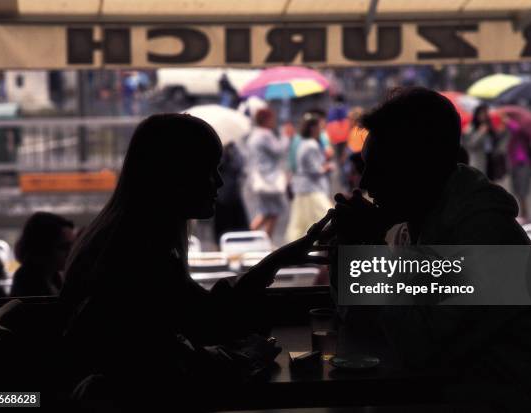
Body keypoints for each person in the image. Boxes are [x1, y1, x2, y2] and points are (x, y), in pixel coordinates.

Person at [328, 87, 531, 410]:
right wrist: (348, 246)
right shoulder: (415, 224)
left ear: (419, 169)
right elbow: (357, 316)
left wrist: (372, 252)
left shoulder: (484, 237)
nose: (365, 184)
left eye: (379, 168)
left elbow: (419, 350)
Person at [59, 114, 330, 405]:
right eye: (208, 169)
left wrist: (276, 260)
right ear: (174, 175)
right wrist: (247, 356)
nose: (219, 181)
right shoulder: (140, 256)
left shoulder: (129, 242)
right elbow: (174, 364)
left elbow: (200, 317)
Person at [285, 114, 334, 242]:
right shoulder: (311, 145)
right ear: (313, 128)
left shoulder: (303, 143)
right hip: (311, 189)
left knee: (300, 222)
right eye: (319, 127)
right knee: (326, 215)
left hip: (303, 188)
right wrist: (327, 167)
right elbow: (315, 169)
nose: (321, 130)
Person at [246, 108, 289, 238]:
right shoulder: (265, 134)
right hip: (269, 178)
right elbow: (279, 150)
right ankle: (251, 237)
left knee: (270, 212)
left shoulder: (254, 134)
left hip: (260, 177)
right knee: (271, 212)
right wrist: (285, 135)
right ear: (266, 119)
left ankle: (263, 241)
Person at [10, 212, 75, 297]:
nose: (71, 252)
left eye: (73, 246)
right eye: (63, 247)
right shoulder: (28, 280)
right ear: (42, 248)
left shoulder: (53, 276)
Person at [213, 142, 250, 242]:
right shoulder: (217, 149)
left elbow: (239, 166)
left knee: (239, 226)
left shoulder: (234, 149)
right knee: (221, 227)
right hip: (221, 195)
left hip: (233, 193)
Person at [462, 104, 508, 181]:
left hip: (490, 158)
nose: (483, 116)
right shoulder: (470, 128)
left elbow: (496, 141)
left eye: (485, 113)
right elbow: (471, 144)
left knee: (490, 182)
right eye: (481, 114)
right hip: (478, 160)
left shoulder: (489, 126)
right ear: (476, 115)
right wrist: (480, 133)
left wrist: (502, 131)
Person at [506, 118, 531, 223]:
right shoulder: (514, 132)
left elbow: (516, 129)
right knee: (518, 190)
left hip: (523, 163)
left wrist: (507, 120)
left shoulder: (523, 129)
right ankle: (523, 214)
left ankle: (525, 215)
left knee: (522, 191)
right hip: (515, 163)